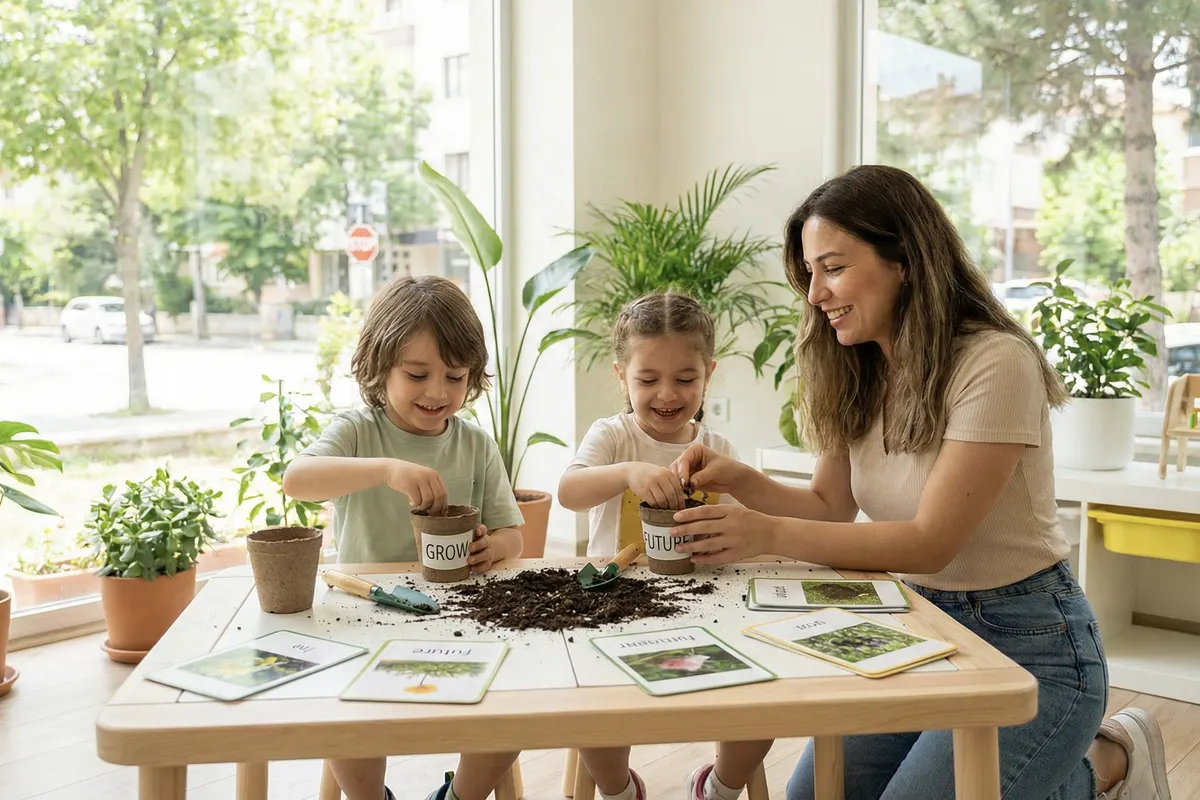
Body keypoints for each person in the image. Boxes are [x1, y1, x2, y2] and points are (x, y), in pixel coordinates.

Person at [665, 165, 1172, 800]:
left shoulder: (995, 362)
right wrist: (740, 480)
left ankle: (1108, 763)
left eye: (834, 267)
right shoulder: (854, 368)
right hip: (916, 623)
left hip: (1031, 644)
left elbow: (931, 542)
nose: (816, 293)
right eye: (810, 272)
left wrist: (762, 532)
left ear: (904, 259)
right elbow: (828, 507)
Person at [283, 275, 525, 800]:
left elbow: (512, 534)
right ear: (380, 365)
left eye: (455, 377)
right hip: (365, 617)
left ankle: (459, 796)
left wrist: (495, 547)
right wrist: (385, 468)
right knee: (345, 712)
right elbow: (297, 479)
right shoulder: (357, 432)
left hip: (461, 615)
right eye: (417, 374)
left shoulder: (476, 444)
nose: (437, 392)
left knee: (516, 709)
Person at [557, 292, 738, 800]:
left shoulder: (718, 450)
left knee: (763, 692)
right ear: (621, 376)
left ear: (709, 374)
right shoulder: (613, 436)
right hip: (616, 603)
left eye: (685, 379)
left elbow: (744, 526)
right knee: (588, 700)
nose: (667, 394)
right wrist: (629, 472)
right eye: (647, 379)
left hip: (702, 603)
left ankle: (720, 787)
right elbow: (570, 491)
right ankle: (618, 790)